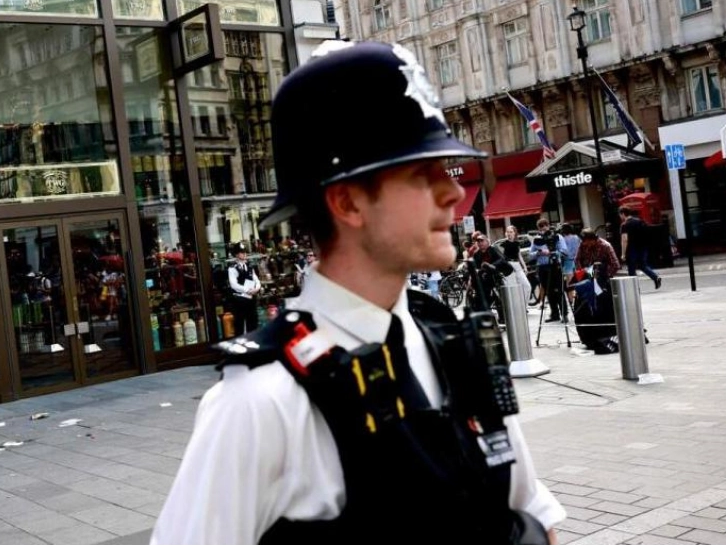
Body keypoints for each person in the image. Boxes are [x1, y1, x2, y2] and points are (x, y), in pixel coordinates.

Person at [151, 41, 564, 546]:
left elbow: (531, 514)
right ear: (347, 202)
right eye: (421, 173)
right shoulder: (261, 402)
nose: (454, 191)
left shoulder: (453, 347)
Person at [529, 219, 566, 322]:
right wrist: (539, 252)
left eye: (545, 226)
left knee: (559, 290)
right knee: (548, 291)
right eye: (541, 227)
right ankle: (554, 314)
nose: (543, 228)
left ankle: (564, 313)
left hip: (555, 266)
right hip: (542, 267)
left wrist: (551, 252)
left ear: (548, 226)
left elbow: (563, 251)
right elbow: (530, 255)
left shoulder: (557, 237)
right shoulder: (537, 240)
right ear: (539, 229)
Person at [619, 207, 662, 290]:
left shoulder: (624, 225)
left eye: (620, 215)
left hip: (631, 249)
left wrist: (623, 254)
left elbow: (624, 240)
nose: (620, 217)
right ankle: (655, 277)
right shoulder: (640, 221)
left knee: (631, 269)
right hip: (643, 248)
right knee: (643, 265)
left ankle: (634, 289)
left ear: (623, 214)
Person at [226, 242, 262, 334]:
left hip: (251, 299)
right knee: (239, 326)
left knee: (253, 324)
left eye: (245, 252)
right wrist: (247, 290)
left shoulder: (249, 266)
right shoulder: (232, 268)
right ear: (237, 254)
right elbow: (234, 285)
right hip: (239, 301)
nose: (244, 254)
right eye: (242, 252)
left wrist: (257, 288)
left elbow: (256, 280)